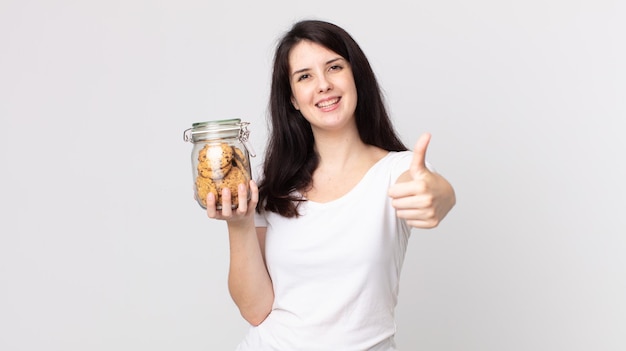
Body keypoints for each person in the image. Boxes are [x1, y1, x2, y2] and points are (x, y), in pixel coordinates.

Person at [205, 19, 456, 351]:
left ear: (355, 77)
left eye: (334, 67)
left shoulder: (397, 171)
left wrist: (439, 196)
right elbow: (255, 310)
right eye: (305, 76)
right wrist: (239, 224)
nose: (322, 85)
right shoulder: (275, 188)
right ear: (293, 99)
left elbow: (434, 191)